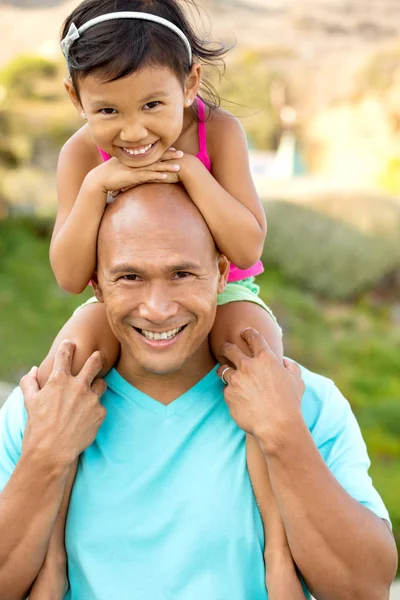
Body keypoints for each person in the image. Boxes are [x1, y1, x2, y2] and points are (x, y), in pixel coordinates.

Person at [0, 184, 396, 600]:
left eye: (182, 274)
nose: (157, 308)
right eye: (130, 277)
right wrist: (45, 456)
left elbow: (364, 589)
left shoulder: (305, 402)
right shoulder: (44, 409)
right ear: (98, 286)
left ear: (223, 274)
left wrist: (284, 434)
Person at [34, 0, 298, 596]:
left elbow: (248, 242)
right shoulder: (80, 155)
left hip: (225, 288)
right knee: (61, 374)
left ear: (190, 83)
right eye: (108, 110)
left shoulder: (217, 131)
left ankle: (278, 553)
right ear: (77, 99)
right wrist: (97, 187)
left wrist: (192, 175)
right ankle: (51, 556)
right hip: (118, 295)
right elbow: (71, 276)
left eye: (153, 105)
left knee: (259, 368)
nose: (133, 131)